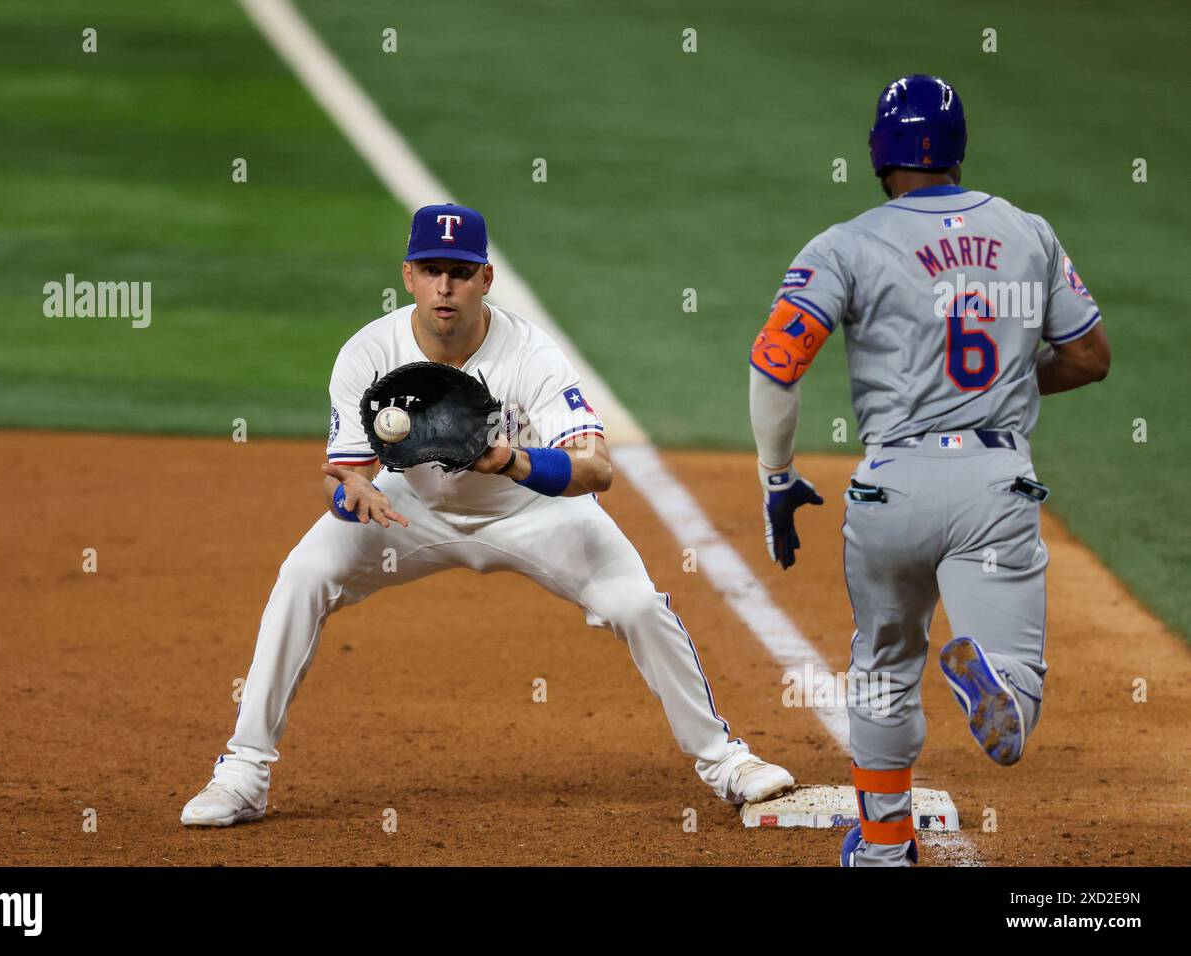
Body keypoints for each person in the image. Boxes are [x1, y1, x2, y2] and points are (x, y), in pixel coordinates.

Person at [182, 203, 794, 827]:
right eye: (431, 270)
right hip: (410, 510)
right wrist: (352, 494)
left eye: (460, 271)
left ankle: (726, 762)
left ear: (485, 279)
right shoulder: (368, 353)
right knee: (302, 577)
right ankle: (243, 774)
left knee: (637, 606)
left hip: (529, 512)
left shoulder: (530, 355)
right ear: (409, 275)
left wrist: (508, 460)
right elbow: (346, 475)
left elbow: (597, 469)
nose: (445, 286)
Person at [746, 76, 1110, 866]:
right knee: (1019, 685)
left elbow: (776, 364)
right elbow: (1089, 355)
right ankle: (1000, 685)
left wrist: (778, 476)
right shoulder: (1028, 232)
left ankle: (881, 849)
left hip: (890, 489)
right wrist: (1008, 381)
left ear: (879, 152)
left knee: (881, 666)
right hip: (992, 484)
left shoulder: (844, 244)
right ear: (957, 150)